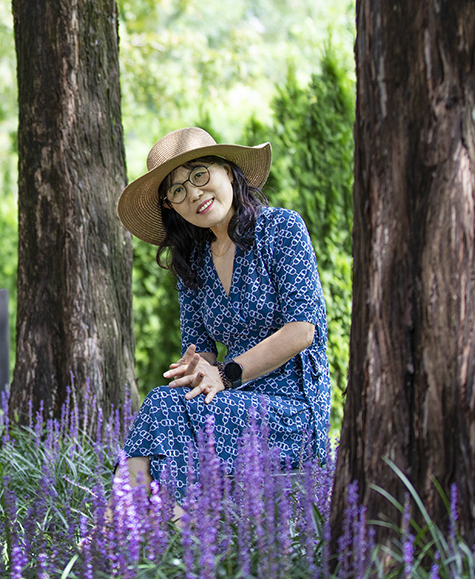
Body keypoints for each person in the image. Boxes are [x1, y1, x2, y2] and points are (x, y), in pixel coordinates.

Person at [115, 127, 331, 504]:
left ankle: (126, 524)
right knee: (166, 401)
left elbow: (301, 331)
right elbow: (200, 352)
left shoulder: (281, 228)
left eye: (200, 174)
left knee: (164, 408)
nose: (194, 193)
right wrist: (195, 366)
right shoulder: (194, 261)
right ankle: (151, 523)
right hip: (230, 403)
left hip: (292, 412)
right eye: (177, 190)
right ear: (170, 206)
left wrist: (226, 374)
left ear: (227, 172)